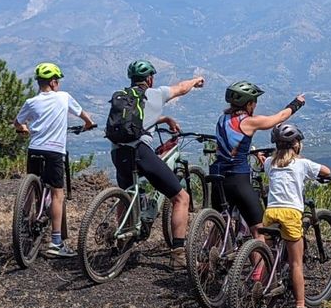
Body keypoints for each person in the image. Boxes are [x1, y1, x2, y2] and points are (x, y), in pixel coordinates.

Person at [109, 59, 205, 268]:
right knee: (181, 197)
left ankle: (121, 240)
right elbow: (181, 88)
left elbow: (138, 119)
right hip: (140, 152)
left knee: (127, 194)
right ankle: (178, 255)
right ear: (150, 79)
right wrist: (196, 80)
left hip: (118, 153)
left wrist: (164, 119)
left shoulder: (123, 97)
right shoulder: (156, 93)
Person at [14, 62, 97, 258]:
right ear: (52, 82)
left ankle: (24, 223)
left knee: (33, 190)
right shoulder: (64, 97)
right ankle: (56, 242)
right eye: (57, 81)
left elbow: (17, 123)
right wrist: (88, 124)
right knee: (57, 194)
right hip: (54, 152)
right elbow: (85, 116)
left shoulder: (31, 102)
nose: (58, 84)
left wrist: (24, 129)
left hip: (34, 149)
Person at [211, 81, 305, 241]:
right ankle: (260, 266)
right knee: (259, 230)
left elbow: (231, 143)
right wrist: (297, 103)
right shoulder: (248, 122)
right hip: (237, 178)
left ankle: (203, 259)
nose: (255, 106)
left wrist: (251, 152)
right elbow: (279, 118)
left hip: (217, 175)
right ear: (248, 103)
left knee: (220, 221)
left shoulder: (222, 119)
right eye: (254, 102)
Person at [263, 122, 331, 308]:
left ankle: (265, 290)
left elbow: (266, 164)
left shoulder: (269, 163)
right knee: (296, 264)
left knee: (268, 257)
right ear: (296, 144)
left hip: (270, 213)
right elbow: (327, 171)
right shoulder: (302, 164)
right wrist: (323, 176)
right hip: (291, 214)